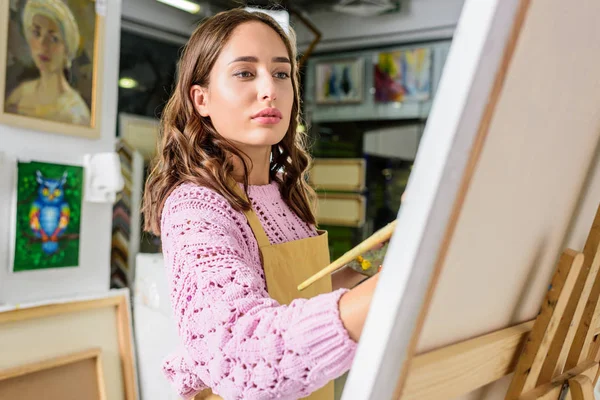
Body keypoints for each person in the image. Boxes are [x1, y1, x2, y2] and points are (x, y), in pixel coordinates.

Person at [142, 9, 382, 400]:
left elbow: (298, 295)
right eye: (245, 73)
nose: (269, 89)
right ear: (201, 99)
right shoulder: (195, 208)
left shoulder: (286, 195)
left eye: (282, 73)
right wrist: (388, 294)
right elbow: (241, 358)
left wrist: (372, 265)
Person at [5, 0, 90, 126]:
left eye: (54, 38)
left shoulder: (75, 113)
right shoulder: (20, 95)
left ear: (66, 49)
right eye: (36, 33)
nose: (42, 44)